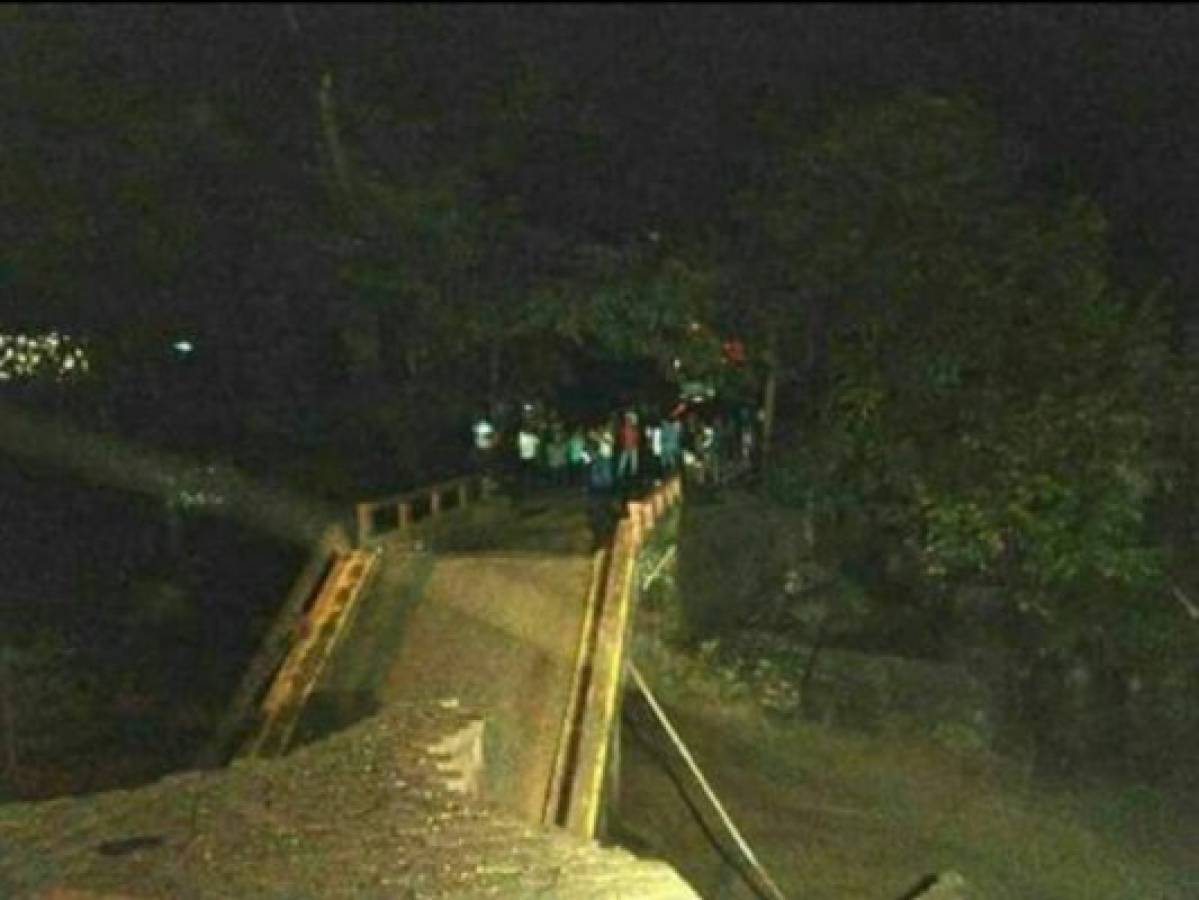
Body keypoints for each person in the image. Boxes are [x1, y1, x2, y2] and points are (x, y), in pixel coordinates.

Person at [616, 410, 640, 484]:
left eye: (628, 420)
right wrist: (623, 445)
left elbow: (637, 438)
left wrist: (634, 444)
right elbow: (621, 438)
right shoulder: (623, 429)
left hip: (633, 447)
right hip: (626, 447)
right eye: (626, 420)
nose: (627, 421)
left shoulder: (634, 429)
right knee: (623, 462)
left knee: (633, 462)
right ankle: (620, 476)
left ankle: (633, 476)